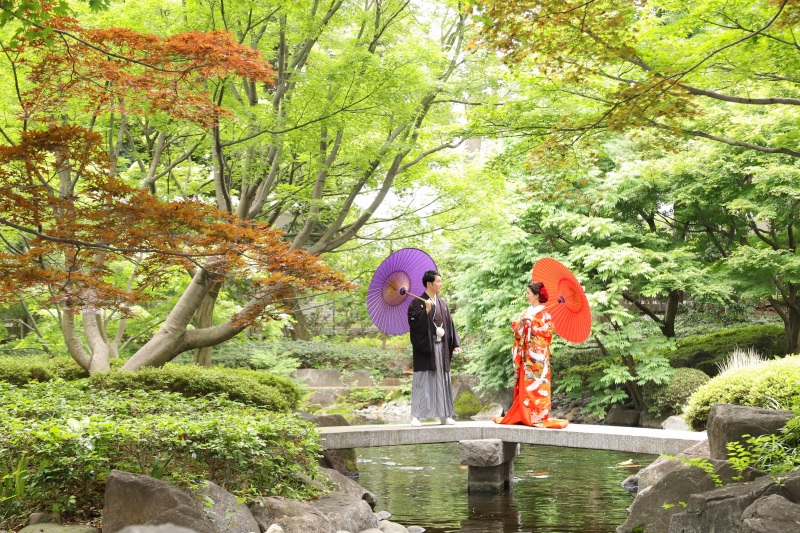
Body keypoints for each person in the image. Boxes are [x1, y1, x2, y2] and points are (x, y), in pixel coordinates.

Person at [495, 281, 566, 427]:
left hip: (537, 358)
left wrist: (533, 324)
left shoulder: (546, 314)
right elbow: (517, 332)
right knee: (524, 384)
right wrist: (521, 325)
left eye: (528, 293)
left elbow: (547, 333)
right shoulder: (526, 311)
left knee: (536, 385)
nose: (526, 296)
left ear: (536, 295)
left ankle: (536, 416)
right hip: (525, 354)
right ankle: (522, 414)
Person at [407, 269, 462, 426]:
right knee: (422, 379)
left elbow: (450, 325)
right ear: (429, 284)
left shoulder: (443, 303)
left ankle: (444, 415)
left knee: (442, 379)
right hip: (426, 348)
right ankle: (416, 416)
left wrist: (455, 344)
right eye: (438, 281)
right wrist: (426, 311)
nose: (440, 284)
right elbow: (414, 325)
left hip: (442, 346)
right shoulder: (416, 303)